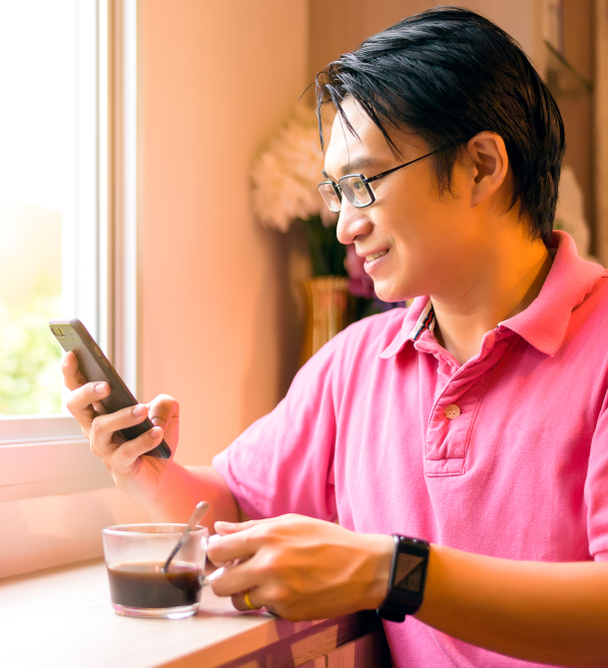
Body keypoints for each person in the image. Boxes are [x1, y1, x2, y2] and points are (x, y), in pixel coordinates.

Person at [62, 7, 608, 667]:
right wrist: (147, 470)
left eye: (362, 185)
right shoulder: (355, 364)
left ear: (482, 167)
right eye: (334, 193)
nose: (345, 225)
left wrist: (392, 572)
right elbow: (236, 505)